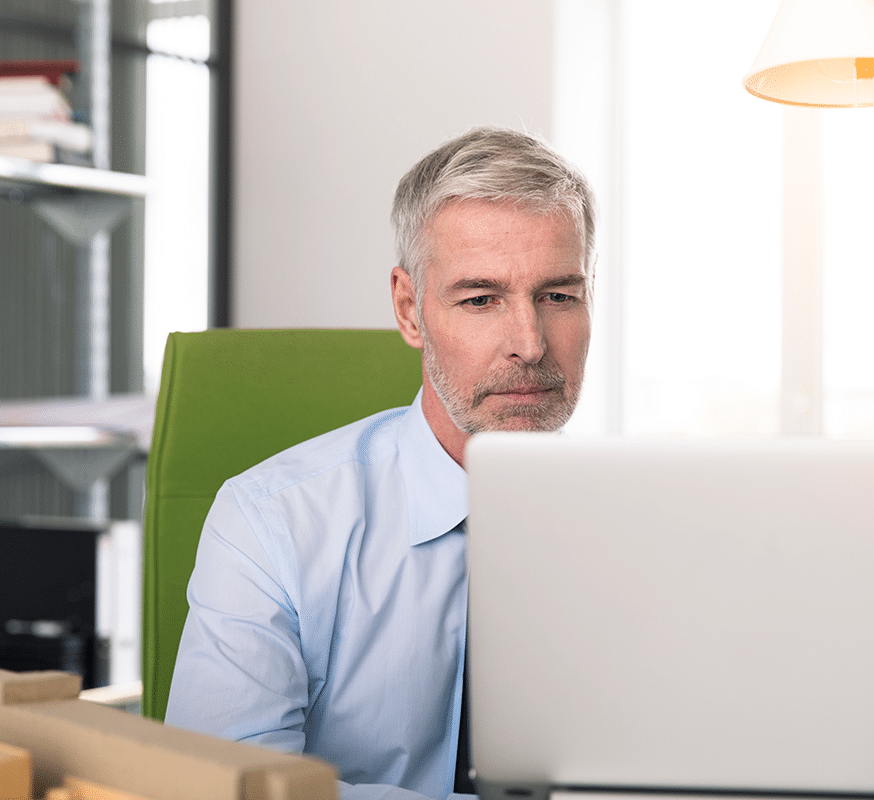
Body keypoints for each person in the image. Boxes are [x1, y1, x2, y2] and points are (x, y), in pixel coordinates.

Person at [164, 126, 596, 800]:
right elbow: (227, 789)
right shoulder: (272, 524)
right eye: (480, 299)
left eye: (559, 296)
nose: (530, 344)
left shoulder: (641, 532)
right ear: (409, 310)